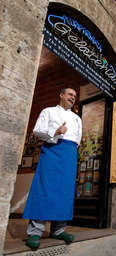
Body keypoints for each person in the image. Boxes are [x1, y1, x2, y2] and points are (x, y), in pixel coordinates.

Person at [23, 88, 82, 248]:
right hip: (52, 150)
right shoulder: (47, 111)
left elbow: (78, 138)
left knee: (65, 191)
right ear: (61, 95)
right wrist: (55, 131)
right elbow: (37, 131)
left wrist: (73, 152)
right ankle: (35, 232)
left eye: (75, 96)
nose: (73, 98)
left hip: (69, 154)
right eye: (70, 94)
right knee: (44, 188)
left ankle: (58, 230)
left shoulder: (77, 118)